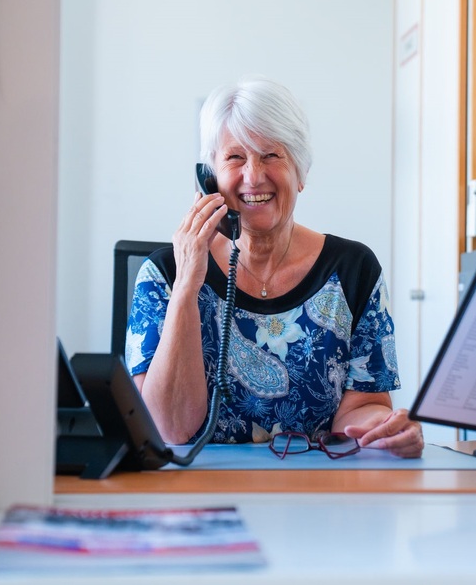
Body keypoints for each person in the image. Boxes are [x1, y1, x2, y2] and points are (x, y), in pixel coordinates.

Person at [125, 76, 424, 458]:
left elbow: (361, 409)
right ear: (209, 177)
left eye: (271, 155)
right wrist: (186, 286)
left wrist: (386, 431)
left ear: (300, 172)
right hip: (199, 490)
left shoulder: (354, 270)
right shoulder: (163, 274)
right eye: (235, 157)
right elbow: (171, 429)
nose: (253, 176)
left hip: (318, 495)